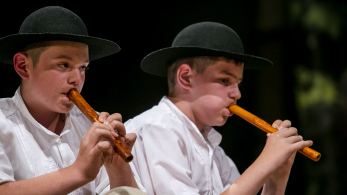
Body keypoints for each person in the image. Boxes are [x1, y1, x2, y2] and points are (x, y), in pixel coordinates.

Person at [125, 21, 313, 195]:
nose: (237, 94)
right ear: (186, 78)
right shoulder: (158, 130)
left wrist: (275, 179)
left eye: (238, 83)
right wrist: (264, 163)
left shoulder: (213, 150)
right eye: (225, 81)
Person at [0, 6, 145, 195]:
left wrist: (118, 169)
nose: (77, 78)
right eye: (63, 65)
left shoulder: (91, 127)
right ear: (23, 67)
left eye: (83, 68)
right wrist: (78, 172)